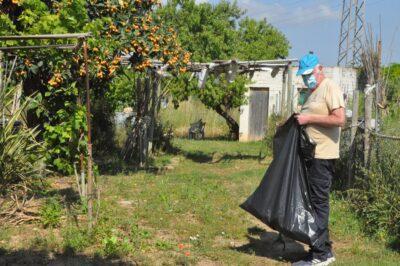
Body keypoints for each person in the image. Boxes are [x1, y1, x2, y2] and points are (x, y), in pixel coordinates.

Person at [292, 52, 345, 266]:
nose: (307, 78)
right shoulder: (312, 91)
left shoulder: (329, 87)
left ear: (319, 68)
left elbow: (339, 119)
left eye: (309, 74)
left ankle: (320, 255)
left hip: (323, 156)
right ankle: (322, 248)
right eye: (303, 75)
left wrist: (308, 118)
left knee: (318, 203)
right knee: (313, 203)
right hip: (311, 156)